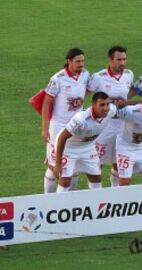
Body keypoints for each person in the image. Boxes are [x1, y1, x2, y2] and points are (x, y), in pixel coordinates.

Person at [41, 48, 90, 193]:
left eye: (82, 61)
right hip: (58, 126)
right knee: (53, 165)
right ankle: (47, 198)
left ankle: (69, 199)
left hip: (77, 126)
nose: (81, 64)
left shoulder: (85, 75)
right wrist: (44, 128)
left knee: (73, 164)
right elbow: (46, 102)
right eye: (78, 61)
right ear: (69, 61)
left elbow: (88, 90)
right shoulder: (58, 78)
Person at [88, 46, 134, 187]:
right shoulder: (98, 77)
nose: (122, 62)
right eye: (118, 59)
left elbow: (128, 93)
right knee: (96, 165)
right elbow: (86, 94)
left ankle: (115, 197)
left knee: (118, 163)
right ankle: (96, 197)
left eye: (124, 59)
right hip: (103, 128)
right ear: (110, 60)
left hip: (122, 127)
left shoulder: (128, 74)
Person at [54, 92, 117, 192]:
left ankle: (98, 204)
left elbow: (122, 105)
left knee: (95, 177)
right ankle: (58, 206)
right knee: (65, 181)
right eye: (101, 105)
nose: (105, 108)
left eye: (107, 104)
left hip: (88, 147)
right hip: (69, 148)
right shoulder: (81, 120)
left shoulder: (111, 111)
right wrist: (58, 163)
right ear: (93, 105)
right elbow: (62, 137)